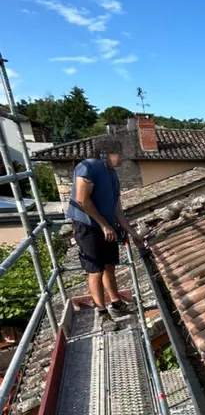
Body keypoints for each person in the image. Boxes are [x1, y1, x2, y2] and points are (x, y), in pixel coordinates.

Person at [66, 138, 145, 331]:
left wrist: (133, 232)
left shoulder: (113, 175)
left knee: (110, 266)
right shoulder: (87, 167)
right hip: (87, 226)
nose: (122, 159)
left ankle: (116, 303)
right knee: (96, 270)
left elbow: (118, 209)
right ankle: (102, 313)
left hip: (107, 225)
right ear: (107, 153)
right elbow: (82, 200)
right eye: (119, 154)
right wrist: (103, 225)